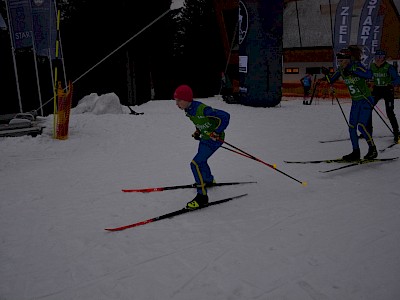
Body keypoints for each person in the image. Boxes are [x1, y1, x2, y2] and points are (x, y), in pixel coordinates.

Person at [173, 84, 230, 209]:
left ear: (187, 99)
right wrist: (198, 131)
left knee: (195, 164)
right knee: (201, 161)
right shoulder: (188, 110)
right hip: (205, 138)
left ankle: (202, 197)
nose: (177, 104)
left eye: (179, 100)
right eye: (176, 100)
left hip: (214, 140)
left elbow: (225, 116)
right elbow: (200, 121)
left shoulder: (203, 109)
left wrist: (217, 132)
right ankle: (208, 180)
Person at [322, 46, 377, 161]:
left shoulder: (356, 66)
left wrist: (353, 71)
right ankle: (355, 152)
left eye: (342, 61)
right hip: (356, 102)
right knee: (351, 127)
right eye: (339, 61)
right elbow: (331, 80)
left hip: (366, 100)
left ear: (348, 59)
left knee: (361, 126)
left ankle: (372, 149)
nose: (340, 63)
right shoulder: (341, 70)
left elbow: (369, 74)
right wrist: (327, 74)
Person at [367, 49, 400, 143]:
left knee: (389, 112)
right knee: (368, 109)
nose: (378, 59)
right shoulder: (372, 66)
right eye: (377, 57)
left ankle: (396, 133)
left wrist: (391, 83)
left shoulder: (388, 67)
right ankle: (368, 131)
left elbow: (398, 78)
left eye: (380, 57)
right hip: (377, 89)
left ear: (384, 58)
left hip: (387, 90)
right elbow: (367, 75)